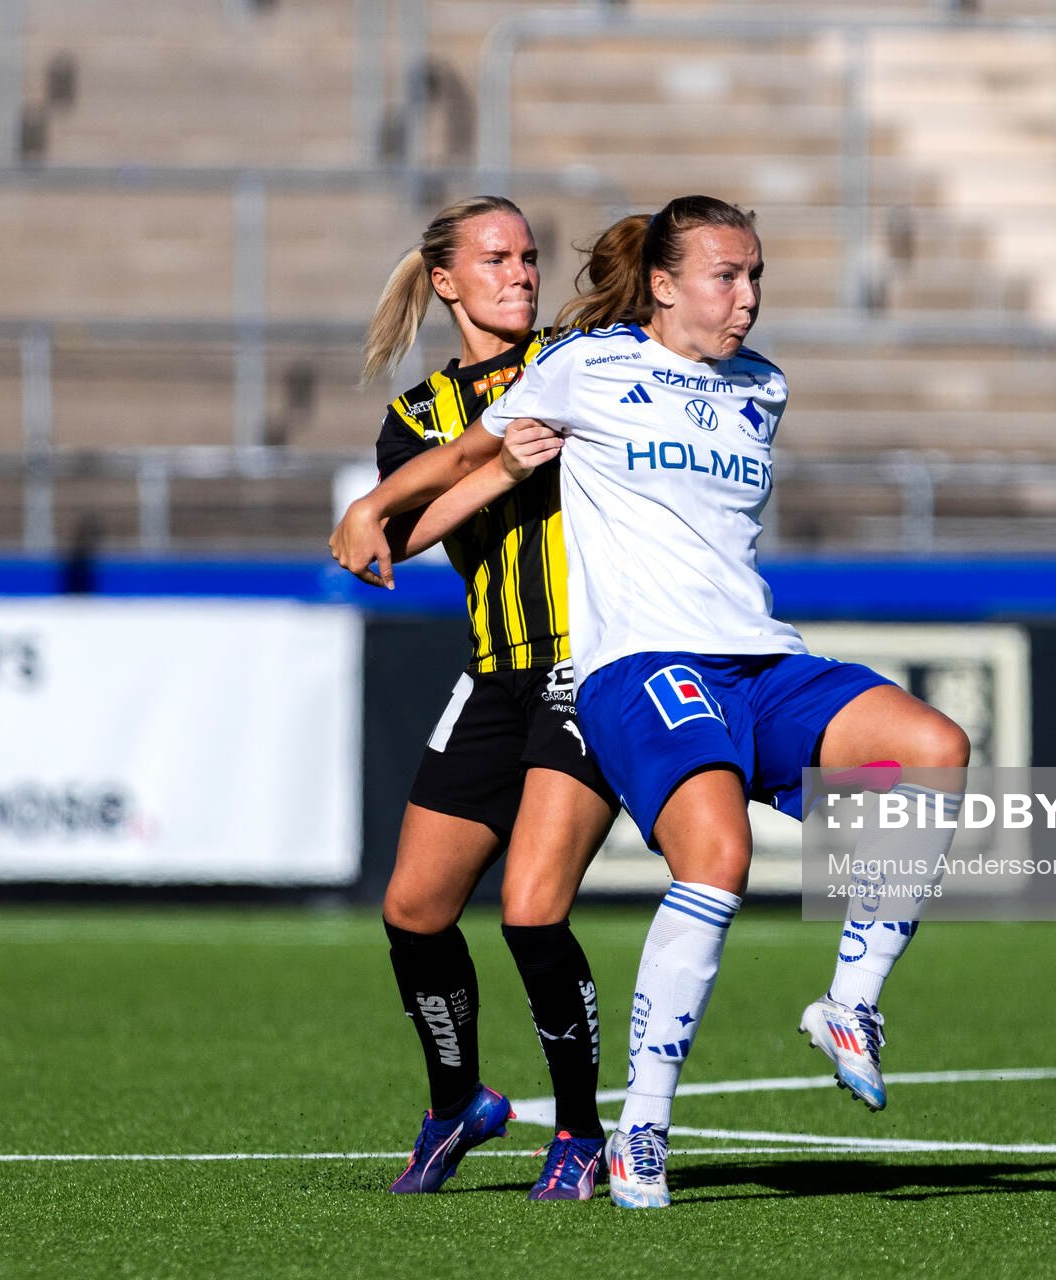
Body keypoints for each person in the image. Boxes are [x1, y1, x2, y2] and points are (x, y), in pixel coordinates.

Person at [471, 196, 971, 1209]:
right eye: (724, 275)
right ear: (662, 283)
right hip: (642, 662)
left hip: (759, 658)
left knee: (934, 745)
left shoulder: (762, 387)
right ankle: (640, 1127)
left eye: (754, 277)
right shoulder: (586, 366)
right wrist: (381, 512)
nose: (745, 297)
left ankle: (848, 1002)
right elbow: (483, 461)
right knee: (720, 858)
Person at [336, 195, 619, 1201]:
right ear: (444, 280)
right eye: (495, 258)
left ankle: (582, 1131)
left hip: (592, 666)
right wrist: (496, 466)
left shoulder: (581, 355)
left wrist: (485, 465)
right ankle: (456, 1098)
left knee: (531, 913)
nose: (521, 272)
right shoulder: (414, 416)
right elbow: (397, 539)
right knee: (413, 908)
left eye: (530, 256)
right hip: (493, 668)